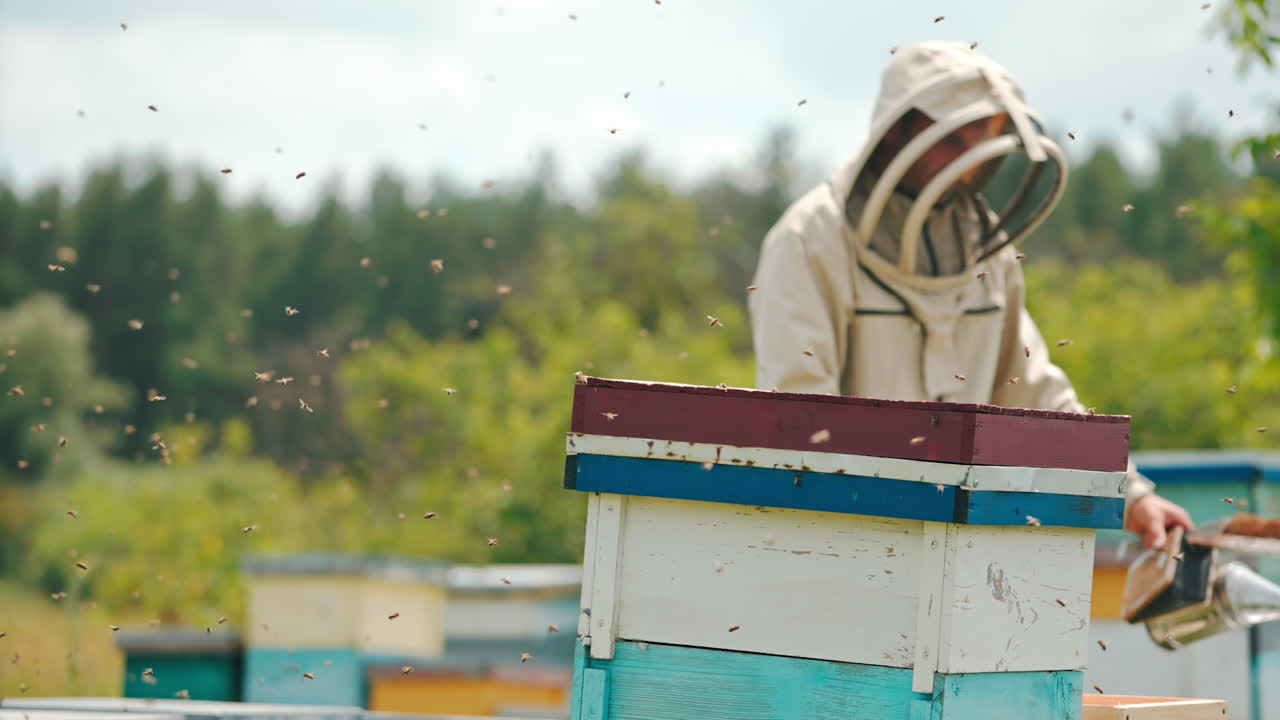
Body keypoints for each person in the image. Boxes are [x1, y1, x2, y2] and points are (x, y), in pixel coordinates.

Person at [747, 41, 1191, 550]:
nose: (967, 166)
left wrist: (1133, 495)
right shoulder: (810, 240)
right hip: (841, 544)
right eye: (952, 142)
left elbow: (1035, 392)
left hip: (961, 540)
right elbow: (801, 416)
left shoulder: (985, 251)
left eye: (981, 144)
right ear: (897, 132)